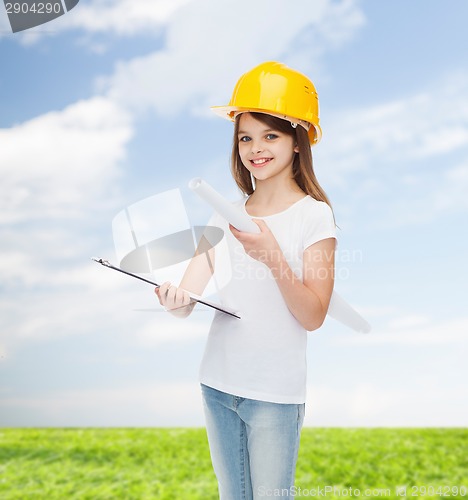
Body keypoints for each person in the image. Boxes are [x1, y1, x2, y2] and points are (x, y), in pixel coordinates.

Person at [155, 61, 337, 499]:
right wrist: (173, 297)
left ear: (299, 140)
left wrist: (272, 256)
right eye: (245, 137)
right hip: (217, 382)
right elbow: (187, 298)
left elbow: (313, 315)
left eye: (270, 135)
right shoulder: (225, 211)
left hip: (274, 394)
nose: (256, 148)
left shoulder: (314, 216)